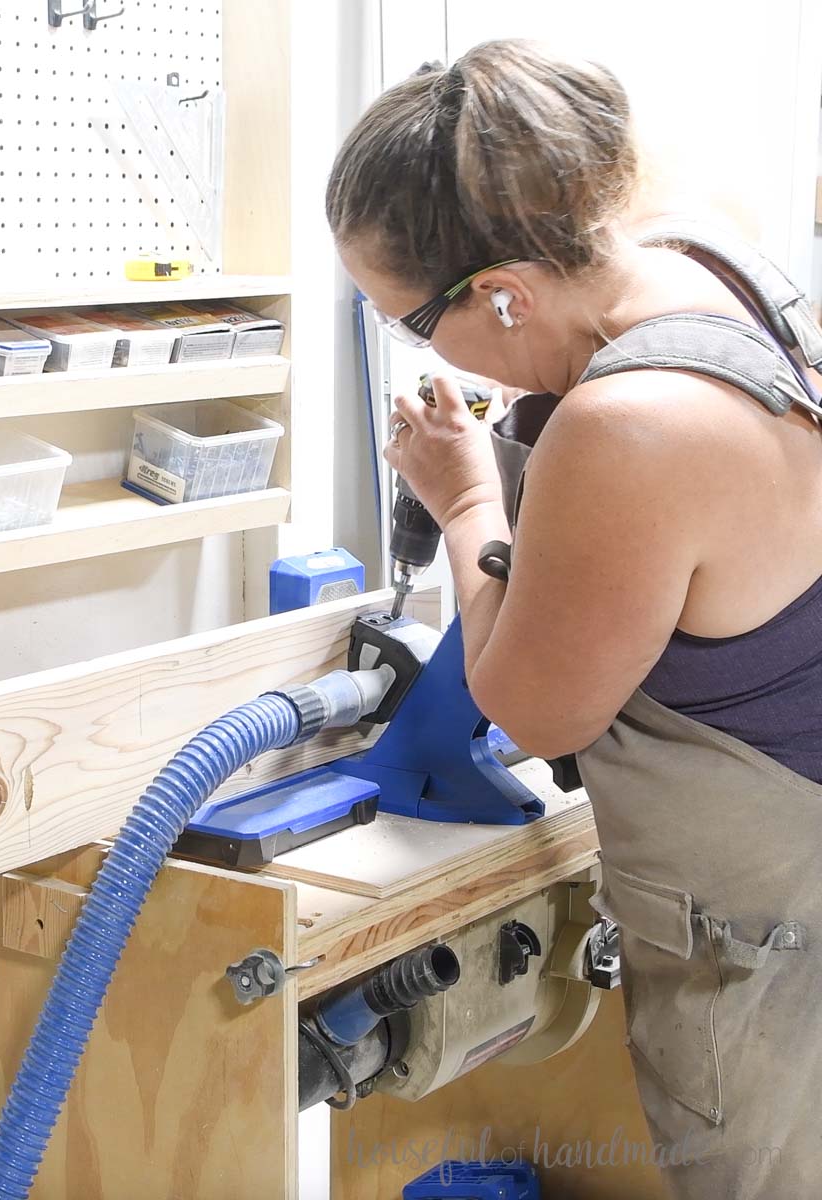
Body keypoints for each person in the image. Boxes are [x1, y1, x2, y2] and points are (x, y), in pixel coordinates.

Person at [326, 39, 822, 1200]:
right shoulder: (705, 262)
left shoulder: (631, 426)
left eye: (408, 321)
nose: (420, 349)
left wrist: (465, 499)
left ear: (499, 291)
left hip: (775, 932)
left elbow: (531, 701)